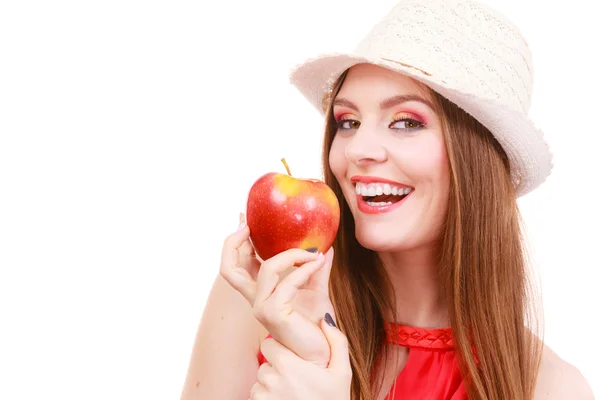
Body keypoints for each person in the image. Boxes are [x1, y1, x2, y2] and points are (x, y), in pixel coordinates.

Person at [181, 0, 594, 399]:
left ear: (476, 160)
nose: (360, 148)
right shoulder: (266, 297)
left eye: (407, 122)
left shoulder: (548, 388)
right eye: (349, 122)